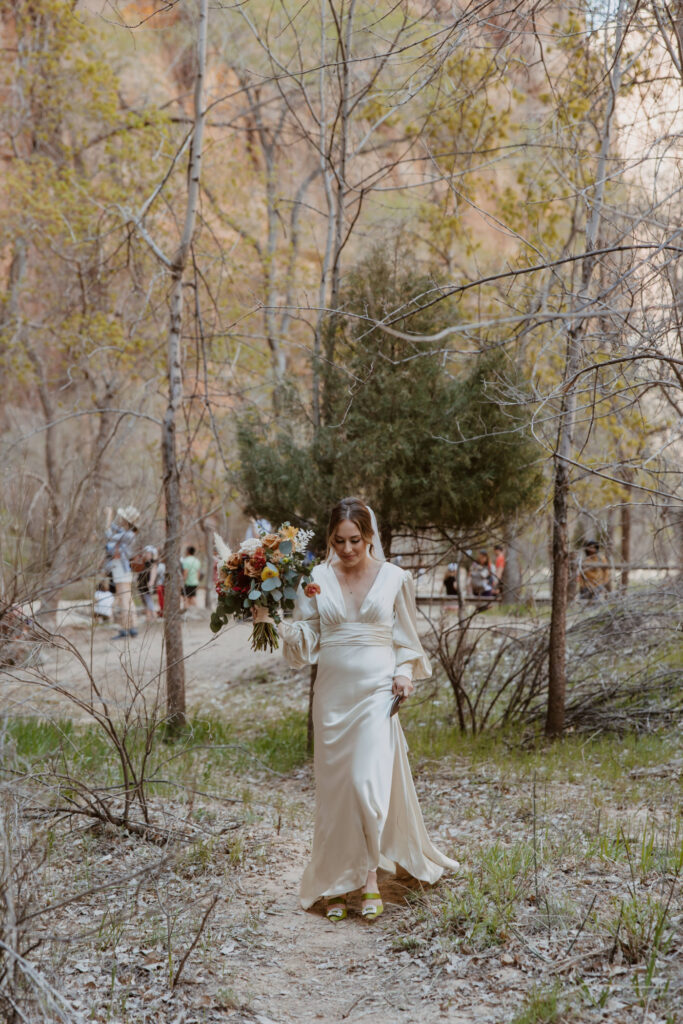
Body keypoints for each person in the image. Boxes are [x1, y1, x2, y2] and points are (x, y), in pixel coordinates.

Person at [260, 496, 458, 922]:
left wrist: (404, 672)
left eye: (355, 540)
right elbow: (308, 639)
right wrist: (269, 620)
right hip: (332, 696)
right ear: (329, 539)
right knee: (336, 795)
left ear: (369, 537)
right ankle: (334, 882)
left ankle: (368, 878)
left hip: (375, 693)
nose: (347, 549)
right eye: (338, 541)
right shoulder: (315, 578)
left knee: (365, 784)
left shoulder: (393, 578)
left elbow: (406, 639)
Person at [105, 506, 140, 639]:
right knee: (127, 597)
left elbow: (108, 535)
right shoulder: (127, 533)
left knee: (124, 597)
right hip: (123, 567)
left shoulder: (127, 534)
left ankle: (126, 628)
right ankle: (133, 627)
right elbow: (114, 530)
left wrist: (108, 517)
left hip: (120, 567)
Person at [135, 546, 158, 623]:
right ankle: (148, 617)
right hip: (141, 584)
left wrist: (151, 581)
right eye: (146, 553)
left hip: (147, 584)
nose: (146, 554)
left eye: (148, 553)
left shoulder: (152, 563)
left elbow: (153, 571)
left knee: (148, 599)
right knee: (145, 600)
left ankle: (154, 615)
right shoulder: (143, 563)